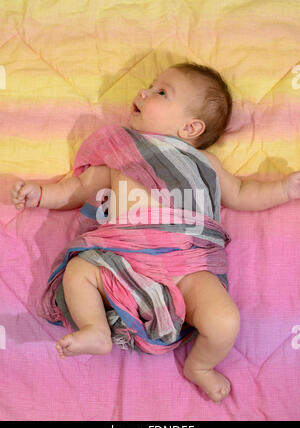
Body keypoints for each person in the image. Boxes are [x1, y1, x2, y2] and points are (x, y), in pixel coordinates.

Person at [11, 63, 300, 403]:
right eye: (150, 86)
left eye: (161, 92)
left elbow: (241, 193)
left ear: (191, 127)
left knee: (224, 320)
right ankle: (96, 330)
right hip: (123, 260)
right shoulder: (119, 152)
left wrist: (283, 189)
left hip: (187, 264)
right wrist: (42, 194)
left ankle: (200, 367)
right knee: (79, 270)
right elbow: (77, 188)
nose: (143, 92)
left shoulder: (204, 163)